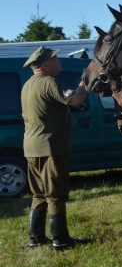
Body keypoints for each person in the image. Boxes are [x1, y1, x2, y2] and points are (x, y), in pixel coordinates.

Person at [22, 46, 90, 250]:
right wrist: (86, 80)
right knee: (55, 194)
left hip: (31, 148)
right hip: (51, 147)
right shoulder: (50, 82)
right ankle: (60, 240)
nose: (59, 61)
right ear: (44, 65)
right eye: (55, 59)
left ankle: (35, 238)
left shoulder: (28, 85)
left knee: (39, 194)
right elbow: (76, 99)